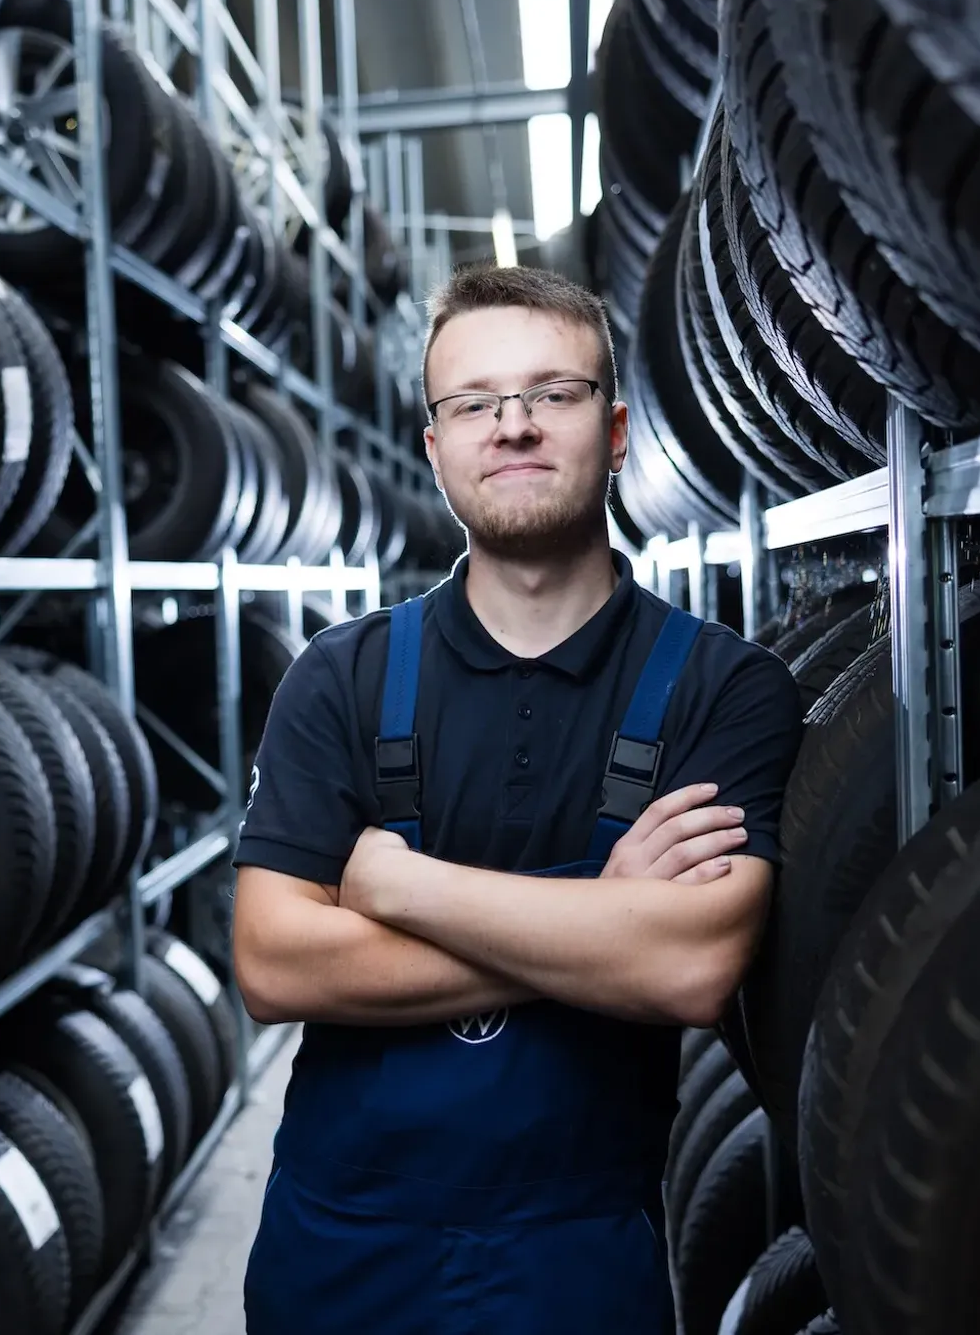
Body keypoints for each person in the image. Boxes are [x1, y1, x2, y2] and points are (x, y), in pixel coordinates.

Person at [228, 263, 803, 1335]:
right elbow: (273, 961)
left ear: (617, 429)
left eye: (551, 393)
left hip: (575, 1254)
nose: (514, 425)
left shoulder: (726, 688)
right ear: (435, 445)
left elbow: (684, 964)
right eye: (475, 403)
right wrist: (601, 916)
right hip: (339, 1252)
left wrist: (388, 882)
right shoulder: (337, 676)